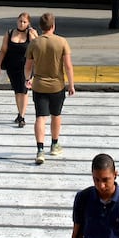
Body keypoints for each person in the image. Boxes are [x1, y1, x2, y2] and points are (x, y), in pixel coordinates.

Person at [25, 12, 75, 165]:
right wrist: (71, 84)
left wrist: (28, 79)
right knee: (56, 115)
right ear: (53, 26)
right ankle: (54, 144)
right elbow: (68, 66)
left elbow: (28, 66)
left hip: (39, 85)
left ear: (40, 27)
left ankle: (40, 149)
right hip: (57, 86)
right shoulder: (62, 42)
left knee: (40, 117)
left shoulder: (35, 43)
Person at [0, 12, 37, 127]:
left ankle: (22, 116)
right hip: (11, 66)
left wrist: (36, 35)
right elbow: (3, 50)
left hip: (26, 67)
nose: (21, 24)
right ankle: (19, 113)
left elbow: (38, 47)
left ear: (28, 23)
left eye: (24, 22)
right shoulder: (9, 33)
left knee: (23, 91)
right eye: (20, 21)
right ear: (16, 21)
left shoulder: (30, 34)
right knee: (17, 91)